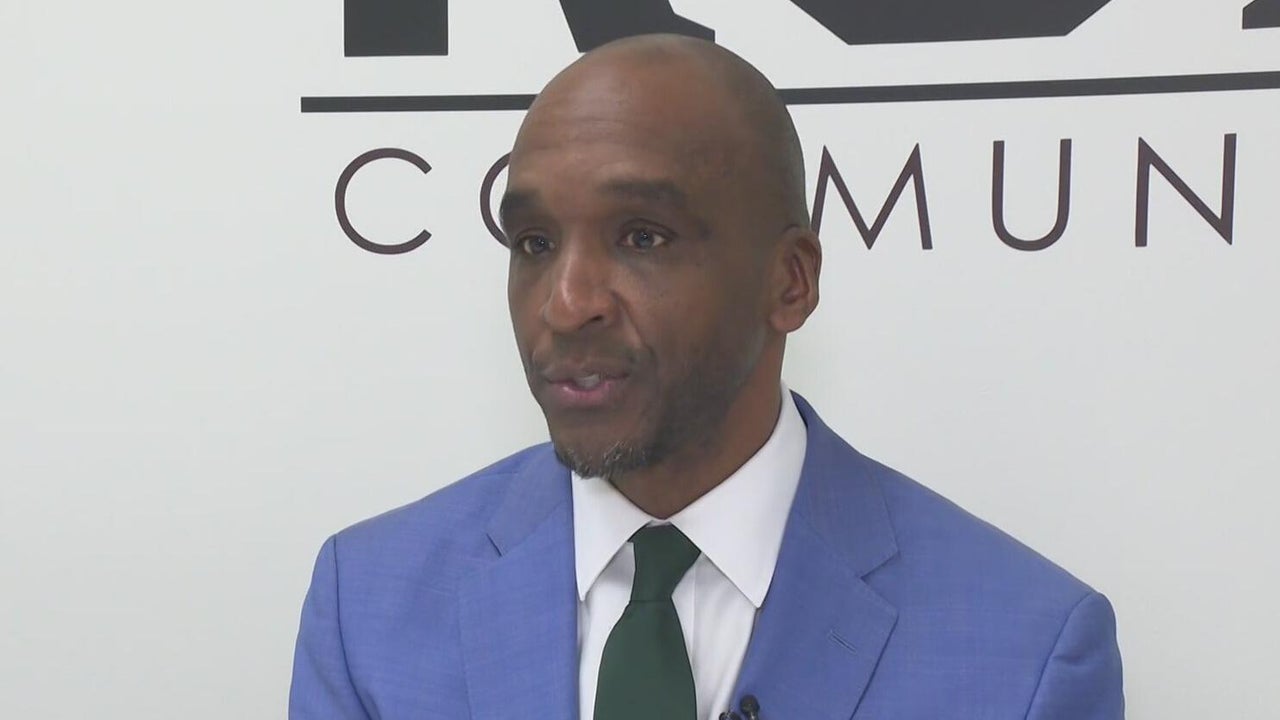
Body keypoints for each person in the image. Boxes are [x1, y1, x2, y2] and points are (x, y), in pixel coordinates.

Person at [289, 34, 1124, 719]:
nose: (566, 303)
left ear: (789, 282)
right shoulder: (368, 612)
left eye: (642, 237)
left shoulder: (1028, 653)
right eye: (534, 244)